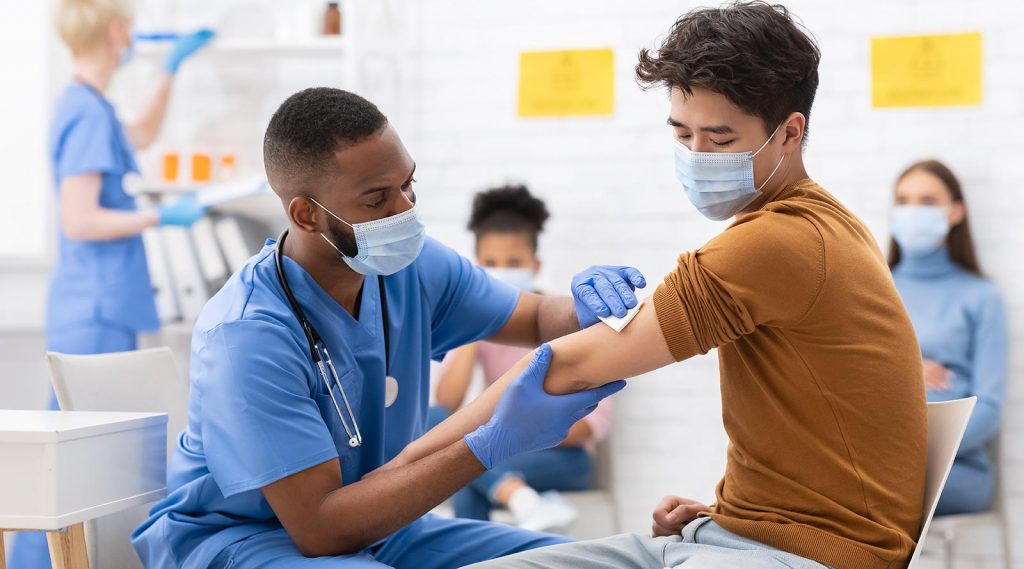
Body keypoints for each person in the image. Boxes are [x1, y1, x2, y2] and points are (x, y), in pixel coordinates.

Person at [392, 3, 929, 568]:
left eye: (719, 140)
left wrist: (399, 475)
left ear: (789, 133)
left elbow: (570, 364)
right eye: (682, 133)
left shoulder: (777, 243)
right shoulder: (822, 226)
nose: (696, 157)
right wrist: (732, 514)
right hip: (738, 535)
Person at [130, 87, 636, 568]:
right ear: (306, 215)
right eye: (377, 201)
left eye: (408, 184)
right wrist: (490, 444)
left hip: (377, 531)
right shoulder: (247, 336)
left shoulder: (413, 269)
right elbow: (320, 530)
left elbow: (533, 318)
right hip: (245, 542)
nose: (406, 211)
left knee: (571, 562)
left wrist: (583, 307)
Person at [8, 1, 212, 567]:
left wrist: (171, 67)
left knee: (80, 457)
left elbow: (141, 133)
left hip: (102, 302)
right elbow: (80, 218)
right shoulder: (87, 112)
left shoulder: (90, 105)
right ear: (118, 31)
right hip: (94, 306)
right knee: (75, 461)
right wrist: (159, 217)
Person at [430, 185, 614, 531]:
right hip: (503, 450)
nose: (502, 272)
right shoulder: (478, 323)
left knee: (467, 468)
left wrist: (512, 434)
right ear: (476, 267)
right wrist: (477, 327)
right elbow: (445, 406)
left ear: (535, 264)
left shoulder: (571, 320)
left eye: (513, 263)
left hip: (564, 459)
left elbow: (593, 426)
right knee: (437, 428)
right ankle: (521, 499)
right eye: (490, 264)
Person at [888, 159, 1008, 516]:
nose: (913, 211)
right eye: (903, 200)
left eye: (927, 201)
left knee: (868, 495)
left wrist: (915, 450)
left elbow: (989, 408)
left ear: (955, 212)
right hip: (878, 460)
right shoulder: (872, 288)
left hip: (957, 469)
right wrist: (905, 369)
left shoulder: (980, 296)